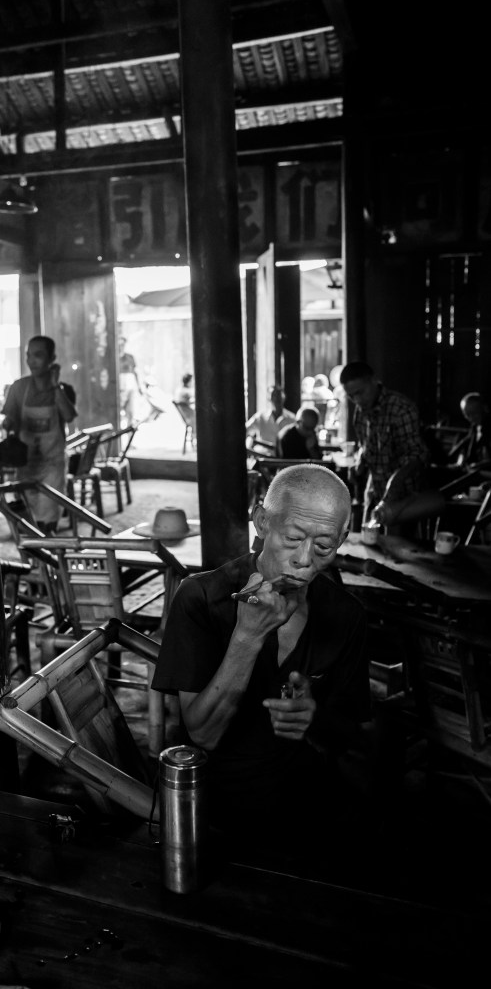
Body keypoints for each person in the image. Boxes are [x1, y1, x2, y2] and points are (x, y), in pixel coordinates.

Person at [151, 464, 371, 857]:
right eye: (293, 538)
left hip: (307, 804)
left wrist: (314, 717)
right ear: (262, 522)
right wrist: (248, 637)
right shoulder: (201, 598)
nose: (304, 559)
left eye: (324, 547)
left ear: (341, 540)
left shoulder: (346, 615)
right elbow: (203, 735)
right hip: (214, 806)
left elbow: (349, 732)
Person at [339, 361, 429, 528]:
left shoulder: (400, 409)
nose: (357, 400)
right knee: (367, 541)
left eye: (360, 392)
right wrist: (359, 465)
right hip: (373, 492)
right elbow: (366, 445)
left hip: (404, 497)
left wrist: (395, 483)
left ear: (374, 381)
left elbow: (417, 455)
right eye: (351, 396)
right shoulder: (360, 412)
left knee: (397, 543)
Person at [1, 335, 77, 533]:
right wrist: (8, 423)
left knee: (48, 521)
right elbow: (10, 418)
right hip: (26, 464)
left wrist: (55, 385)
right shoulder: (19, 387)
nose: (31, 361)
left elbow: (69, 415)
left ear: (52, 359)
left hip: (53, 465)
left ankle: (48, 550)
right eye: (28, 355)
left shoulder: (64, 390)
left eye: (38, 355)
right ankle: (35, 553)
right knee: (27, 522)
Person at [245, 385, 295, 451]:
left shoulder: (292, 419)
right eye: (274, 395)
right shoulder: (260, 417)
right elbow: (245, 431)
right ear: (269, 398)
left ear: (284, 397)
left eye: (279, 396)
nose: (276, 399)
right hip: (262, 455)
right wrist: (249, 442)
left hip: (283, 456)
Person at [456, 392, 491, 468]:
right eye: (467, 415)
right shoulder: (474, 428)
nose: (471, 418)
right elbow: (464, 449)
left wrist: (479, 465)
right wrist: (460, 461)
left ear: (485, 408)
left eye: (475, 413)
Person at [118, 336, 145, 425]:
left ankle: (129, 429)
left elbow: (135, 372)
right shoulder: (114, 358)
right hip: (119, 388)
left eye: (122, 344)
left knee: (130, 411)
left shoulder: (130, 357)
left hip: (130, 386)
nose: (121, 347)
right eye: (119, 345)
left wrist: (139, 386)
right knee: (119, 410)